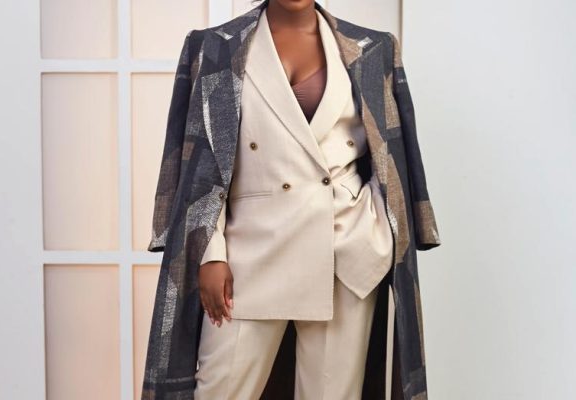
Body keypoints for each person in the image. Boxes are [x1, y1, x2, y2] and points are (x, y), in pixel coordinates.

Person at [142, 1, 441, 399]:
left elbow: (394, 154)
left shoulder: (374, 48)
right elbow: (200, 160)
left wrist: (381, 231)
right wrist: (210, 253)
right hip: (250, 250)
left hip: (347, 250)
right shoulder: (214, 47)